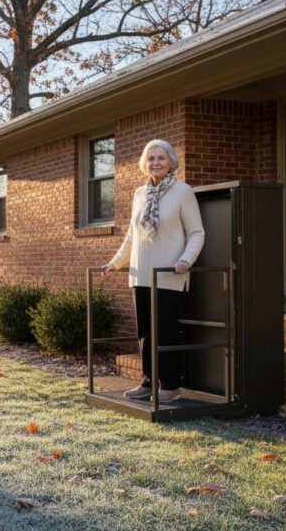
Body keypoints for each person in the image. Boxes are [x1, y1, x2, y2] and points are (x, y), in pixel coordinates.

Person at [103, 139, 204, 403]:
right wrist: (116, 262)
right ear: (144, 164)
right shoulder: (140, 194)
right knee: (145, 332)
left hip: (169, 274)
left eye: (160, 158)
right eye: (150, 158)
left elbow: (196, 233)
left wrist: (186, 260)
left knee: (165, 331)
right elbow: (131, 236)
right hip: (140, 273)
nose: (155, 163)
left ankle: (170, 385)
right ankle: (148, 381)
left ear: (171, 162)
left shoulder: (183, 192)